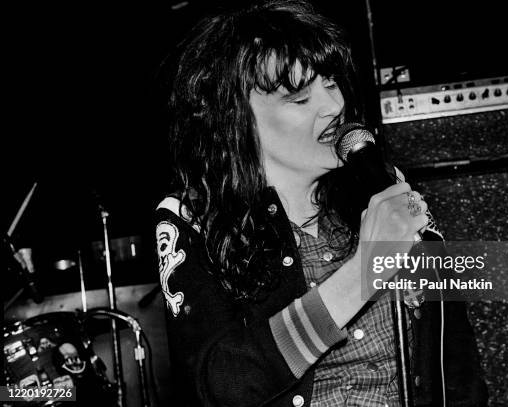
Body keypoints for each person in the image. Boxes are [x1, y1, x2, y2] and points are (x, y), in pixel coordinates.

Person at [154, 1, 488, 406]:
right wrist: (366, 271)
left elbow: (453, 357)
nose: (333, 106)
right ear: (236, 118)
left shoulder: (378, 187)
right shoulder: (195, 220)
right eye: (299, 98)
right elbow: (223, 386)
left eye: (330, 83)